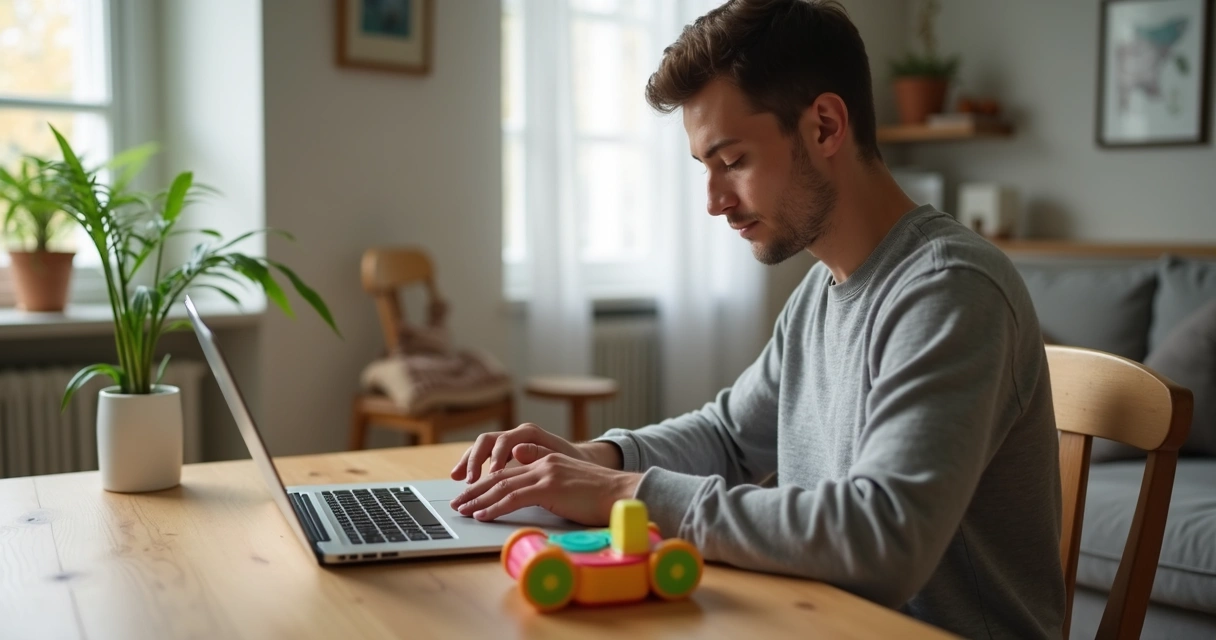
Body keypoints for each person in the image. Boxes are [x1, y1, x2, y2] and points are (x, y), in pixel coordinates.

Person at [451, 0, 1065, 636]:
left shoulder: (950, 289)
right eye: (706, 168)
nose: (714, 202)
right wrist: (593, 459)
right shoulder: (821, 291)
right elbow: (728, 437)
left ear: (825, 126)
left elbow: (883, 541)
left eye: (733, 161)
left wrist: (622, 494)